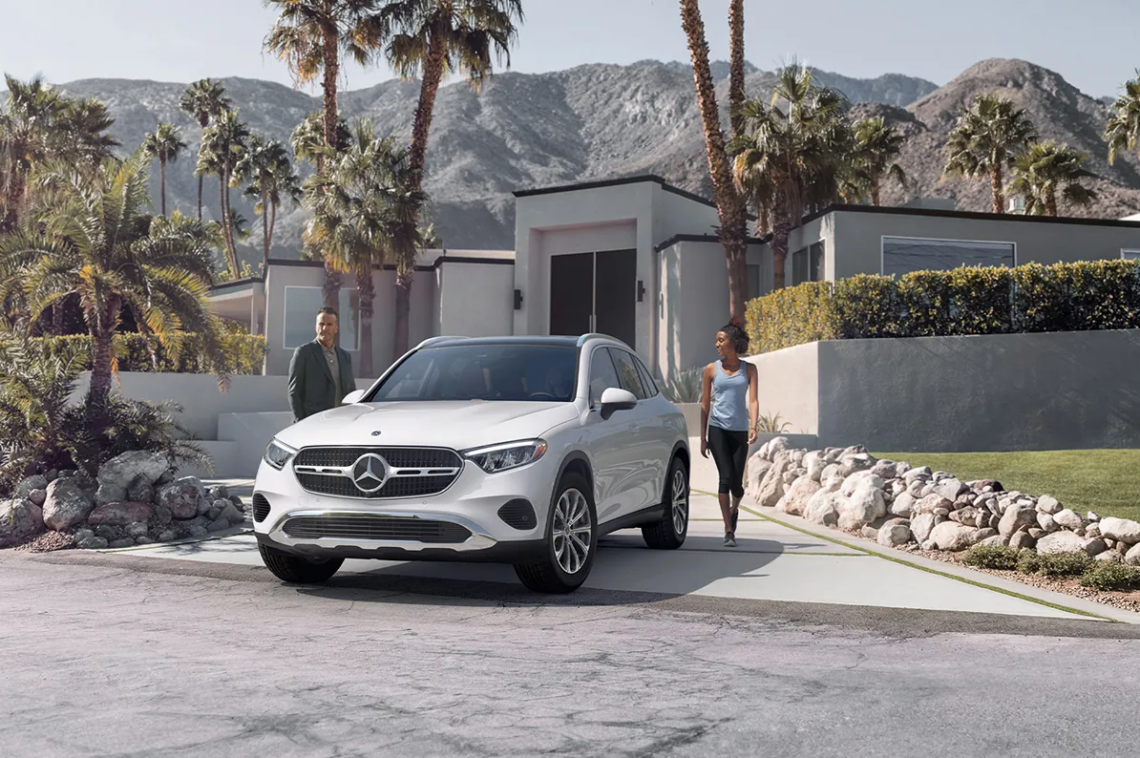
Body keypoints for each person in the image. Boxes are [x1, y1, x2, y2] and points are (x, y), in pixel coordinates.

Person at [699, 317, 758, 548]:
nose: (717, 344)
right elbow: (705, 404)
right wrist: (703, 437)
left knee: (737, 486)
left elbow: (753, 400)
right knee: (724, 478)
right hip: (718, 429)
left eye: (721, 340)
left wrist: (754, 426)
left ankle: (734, 509)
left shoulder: (749, 369)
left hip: (740, 430)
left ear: (733, 343)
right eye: (716, 340)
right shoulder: (711, 370)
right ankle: (728, 530)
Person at [288, 307, 357, 422]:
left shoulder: (345, 357)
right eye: (321, 324)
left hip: (341, 422)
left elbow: (351, 391)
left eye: (329, 324)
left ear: (336, 328)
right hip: (313, 422)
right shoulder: (304, 353)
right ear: (316, 327)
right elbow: (294, 392)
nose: (325, 328)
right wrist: (301, 422)